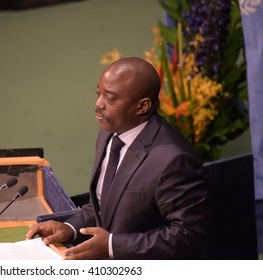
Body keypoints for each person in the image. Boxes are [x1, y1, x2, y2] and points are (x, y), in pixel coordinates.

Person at [26, 57, 211, 259]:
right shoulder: (109, 133)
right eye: (99, 94)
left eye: (110, 98)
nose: (98, 104)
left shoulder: (173, 160)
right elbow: (104, 204)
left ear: (142, 106)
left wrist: (113, 246)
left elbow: (189, 235)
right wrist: (70, 227)